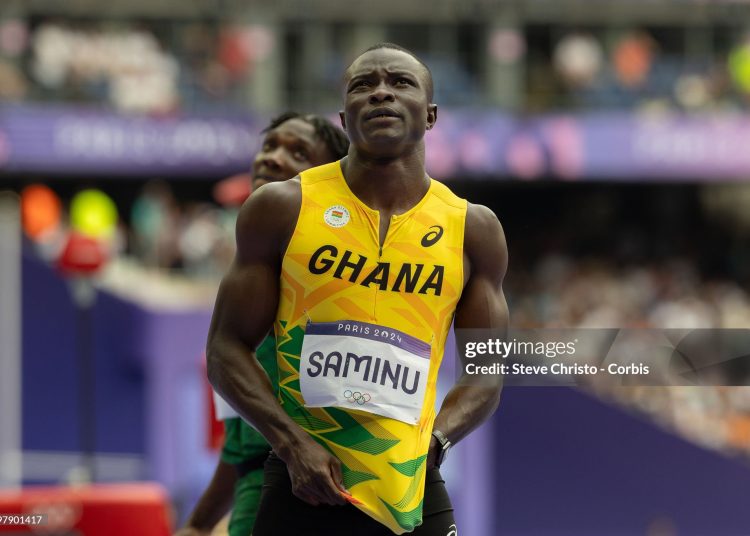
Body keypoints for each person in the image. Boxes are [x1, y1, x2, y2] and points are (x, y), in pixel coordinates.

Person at [207, 43, 508, 535]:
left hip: (410, 484)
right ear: (344, 118)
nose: (380, 93)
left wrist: (433, 445)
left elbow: (488, 370)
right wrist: (291, 444)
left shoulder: (474, 229)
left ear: (430, 116)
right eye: (363, 86)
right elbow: (225, 348)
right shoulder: (281, 208)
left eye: (400, 83)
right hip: (303, 479)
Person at [175, 112, 349, 536]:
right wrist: (197, 526)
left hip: (322, 499)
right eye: (269, 145)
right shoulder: (247, 290)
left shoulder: (338, 283)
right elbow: (243, 453)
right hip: (261, 500)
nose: (271, 158)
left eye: (298, 152)